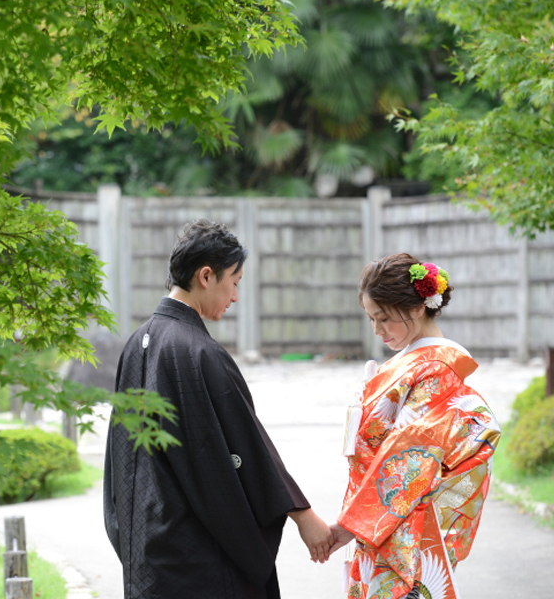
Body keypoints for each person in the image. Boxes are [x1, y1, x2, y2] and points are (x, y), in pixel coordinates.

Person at [104, 219, 333, 599]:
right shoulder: (198, 352)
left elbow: (122, 459)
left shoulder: (137, 343)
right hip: (196, 555)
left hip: (147, 547)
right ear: (206, 276)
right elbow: (246, 444)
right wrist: (304, 516)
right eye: (235, 281)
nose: (235, 296)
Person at [329, 253, 501, 599]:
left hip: (407, 520)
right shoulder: (416, 362)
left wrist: (355, 522)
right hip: (387, 517)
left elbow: (409, 456)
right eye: (371, 318)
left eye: (384, 318)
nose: (377, 329)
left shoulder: (437, 368)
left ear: (418, 308)